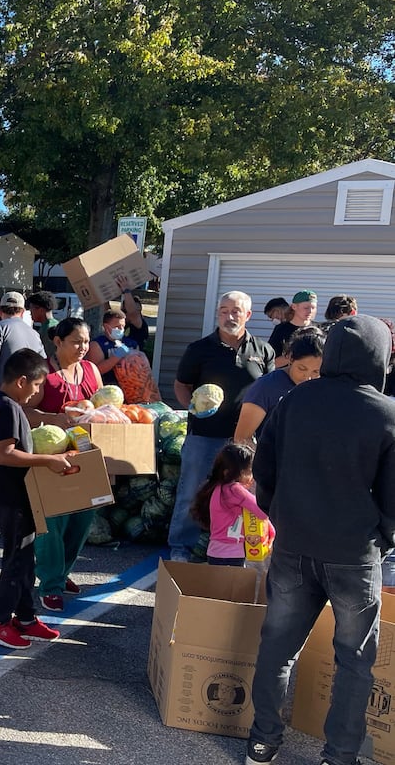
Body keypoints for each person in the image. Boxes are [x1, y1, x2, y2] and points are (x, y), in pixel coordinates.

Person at [245, 315, 395, 765]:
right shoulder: (387, 414)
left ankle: (262, 742)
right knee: (352, 660)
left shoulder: (295, 401)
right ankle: (339, 755)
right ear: (380, 355)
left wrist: (282, 516)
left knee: (277, 648)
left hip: (294, 546)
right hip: (354, 554)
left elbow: (264, 470)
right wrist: (381, 539)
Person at [0, 348, 72, 649]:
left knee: (26, 557)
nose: (38, 392)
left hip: (15, 495)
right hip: (12, 495)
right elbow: (4, 455)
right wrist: (48, 460)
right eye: (37, 385)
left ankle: (26, 617)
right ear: (21, 381)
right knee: (16, 560)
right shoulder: (9, 408)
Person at [169, 290, 275, 562]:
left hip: (246, 440)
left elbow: (270, 390)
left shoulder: (263, 351)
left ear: (248, 315)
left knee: (242, 496)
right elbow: (182, 385)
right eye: (224, 310)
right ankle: (181, 547)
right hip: (205, 435)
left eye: (236, 311)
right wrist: (191, 407)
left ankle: (234, 550)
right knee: (192, 489)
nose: (229, 316)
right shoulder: (199, 349)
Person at [25, 317, 103, 609]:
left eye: (86, 341)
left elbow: (101, 406)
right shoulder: (43, 372)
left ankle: (62, 572)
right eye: (76, 342)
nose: (83, 347)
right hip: (51, 459)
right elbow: (24, 409)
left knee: (82, 520)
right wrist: (54, 419)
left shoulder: (91, 370)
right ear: (57, 342)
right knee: (53, 523)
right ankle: (50, 583)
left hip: (85, 457)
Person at [233, 327, 325, 446]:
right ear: (291, 359)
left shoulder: (323, 387)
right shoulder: (266, 387)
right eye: (302, 369)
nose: (307, 377)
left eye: (315, 372)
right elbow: (242, 438)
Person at [187, 442, 267, 567]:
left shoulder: (215, 488)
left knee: (218, 586)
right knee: (235, 586)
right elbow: (262, 511)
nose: (251, 477)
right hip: (233, 554)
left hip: (214, 552)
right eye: (249, 472)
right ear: (230, 472)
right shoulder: (235, 490)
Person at [267, 289, 317, 367]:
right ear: (294, 307)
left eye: (313, 308)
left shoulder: (318, 330)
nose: (310, 311)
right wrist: (293, 355)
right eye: (306, 308)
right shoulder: (281, 329)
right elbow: (270, 363)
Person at [26, 290, 58, 362]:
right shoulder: (56, 324)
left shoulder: (47, 330)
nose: (30, 313)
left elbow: (48, 355)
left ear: (40, 310)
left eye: (31, 309)